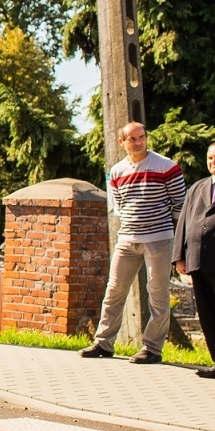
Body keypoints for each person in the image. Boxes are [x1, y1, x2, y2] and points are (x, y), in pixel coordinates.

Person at [81, 122, 186, 364]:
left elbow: (181, 205)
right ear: (122, 142)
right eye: (132, 139)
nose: (138, 142)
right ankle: (103, 343)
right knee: (114, 291)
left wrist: (175, 237)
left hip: (158, 238)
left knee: (157, 294)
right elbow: (119, 206)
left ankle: (152, 349)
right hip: (127, 238)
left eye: (142, 137)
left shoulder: (166, 167)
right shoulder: (117, 171)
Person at [173, 140, 215, 385]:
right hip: (198, 261)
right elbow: (184, 223)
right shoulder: (198, 188)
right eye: (210, 158)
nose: (213, 162)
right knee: (209, 317)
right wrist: (179, 256)